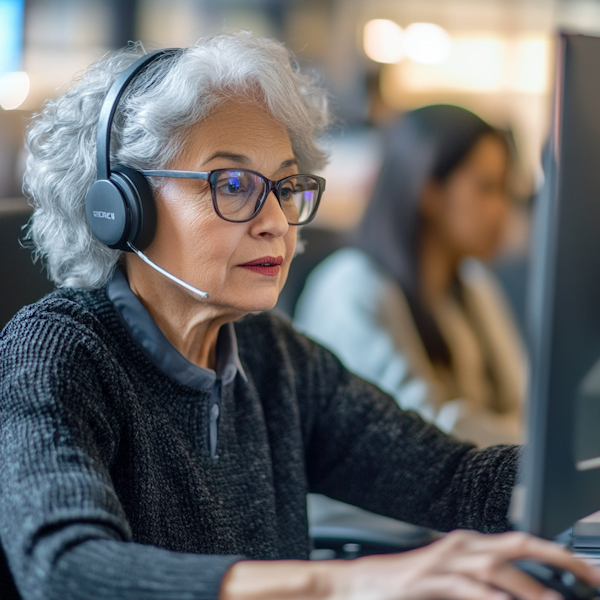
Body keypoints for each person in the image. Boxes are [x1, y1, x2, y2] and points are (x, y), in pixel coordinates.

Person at [0, 34, 596, 600]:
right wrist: (343, 584)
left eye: (286, 186)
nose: (277, 222)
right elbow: (67, 568)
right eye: (232, 183)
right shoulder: (58, 352)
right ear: (120, 207)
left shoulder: (272, 356)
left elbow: (452, 480)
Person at [295, 105, 525, 448]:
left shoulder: (474, 287)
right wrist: (534, 448)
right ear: (429, 190)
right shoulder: (351, 287)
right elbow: (418, 431)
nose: (502, 210)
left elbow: (526, 403)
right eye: (487, 188)